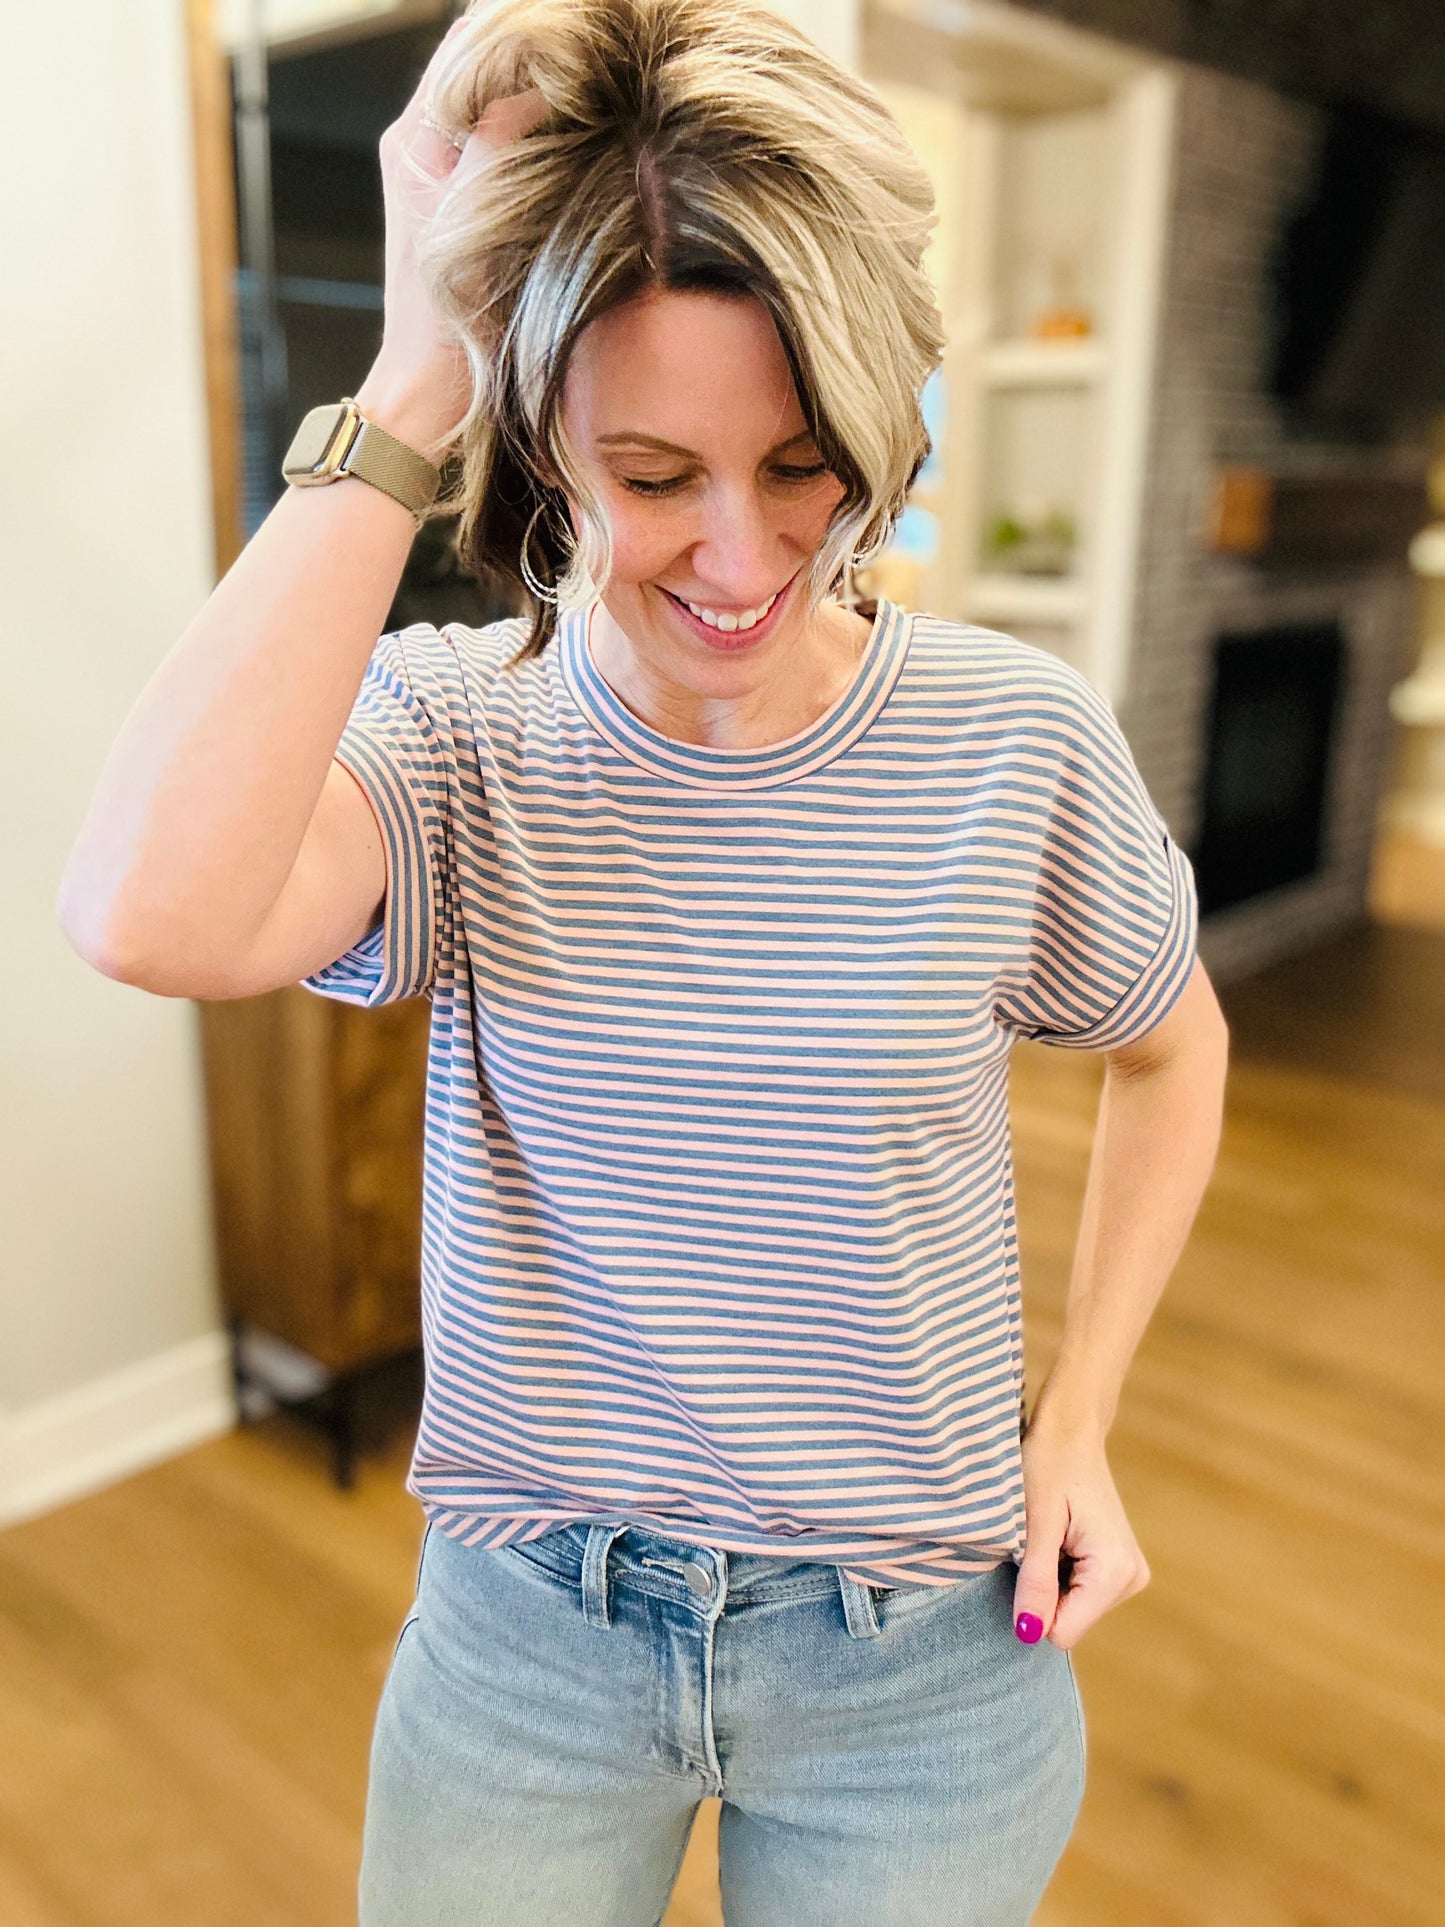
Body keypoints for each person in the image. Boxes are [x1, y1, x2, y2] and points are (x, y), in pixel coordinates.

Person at [59, 1, 1230, 1920]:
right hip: (531, 1651)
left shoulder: (1010, 741)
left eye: (805, 463)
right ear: (543, 449)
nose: (743, 554)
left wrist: (1080, 1417)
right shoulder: (454, 735)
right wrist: (414, 376)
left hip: (921, 1666)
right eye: (653, 471)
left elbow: (1172, 1050)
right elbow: (146, 916)